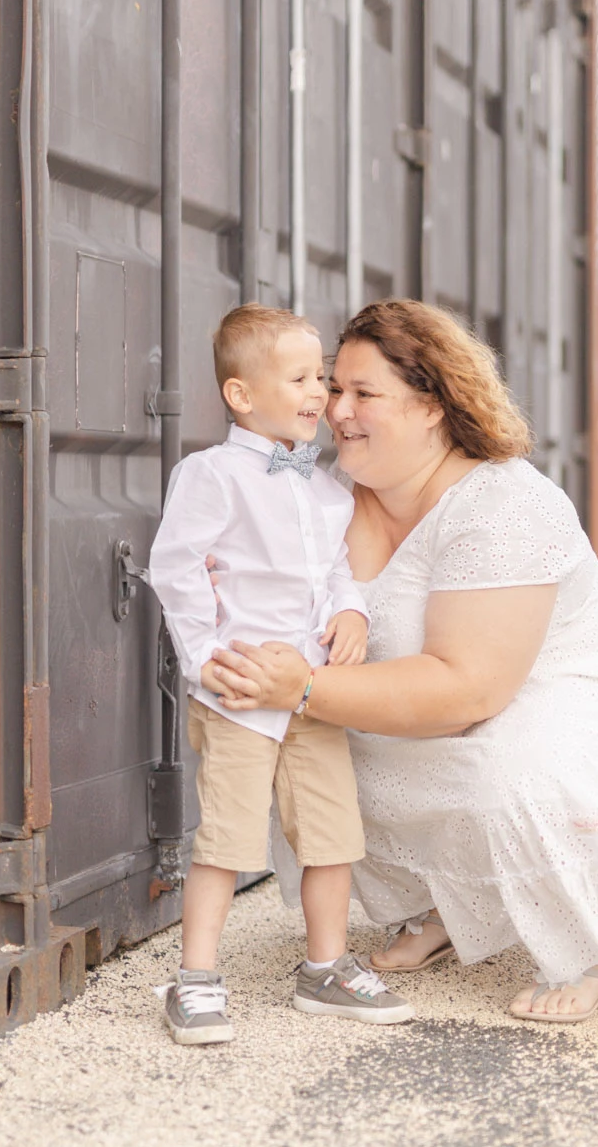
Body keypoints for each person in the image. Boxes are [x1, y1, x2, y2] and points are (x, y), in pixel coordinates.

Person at [204, 300, 598, 1023]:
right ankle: (450, 908)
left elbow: (469, 688)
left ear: (434, 405)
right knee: (330, 741)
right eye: (335, 388)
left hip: (585, 680)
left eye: (364, 394)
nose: (336, 409)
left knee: (509, 768)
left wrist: (306, 684)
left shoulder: (505, 504)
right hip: (458, 688)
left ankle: (581, 942)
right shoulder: (327, 496)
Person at [148, 304, 414, 1043]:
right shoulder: (211, 475)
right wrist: (204, 662)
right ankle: (196, 977)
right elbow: (176, 569)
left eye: (320, 376)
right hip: (238, 695)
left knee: (331, 834)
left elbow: (332, 570)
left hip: (311, 692)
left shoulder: (324, 487)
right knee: (227, 840)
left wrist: (352, 613)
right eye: (300, 378)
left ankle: (324, 968)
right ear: (241, 395)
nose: (318, 393)